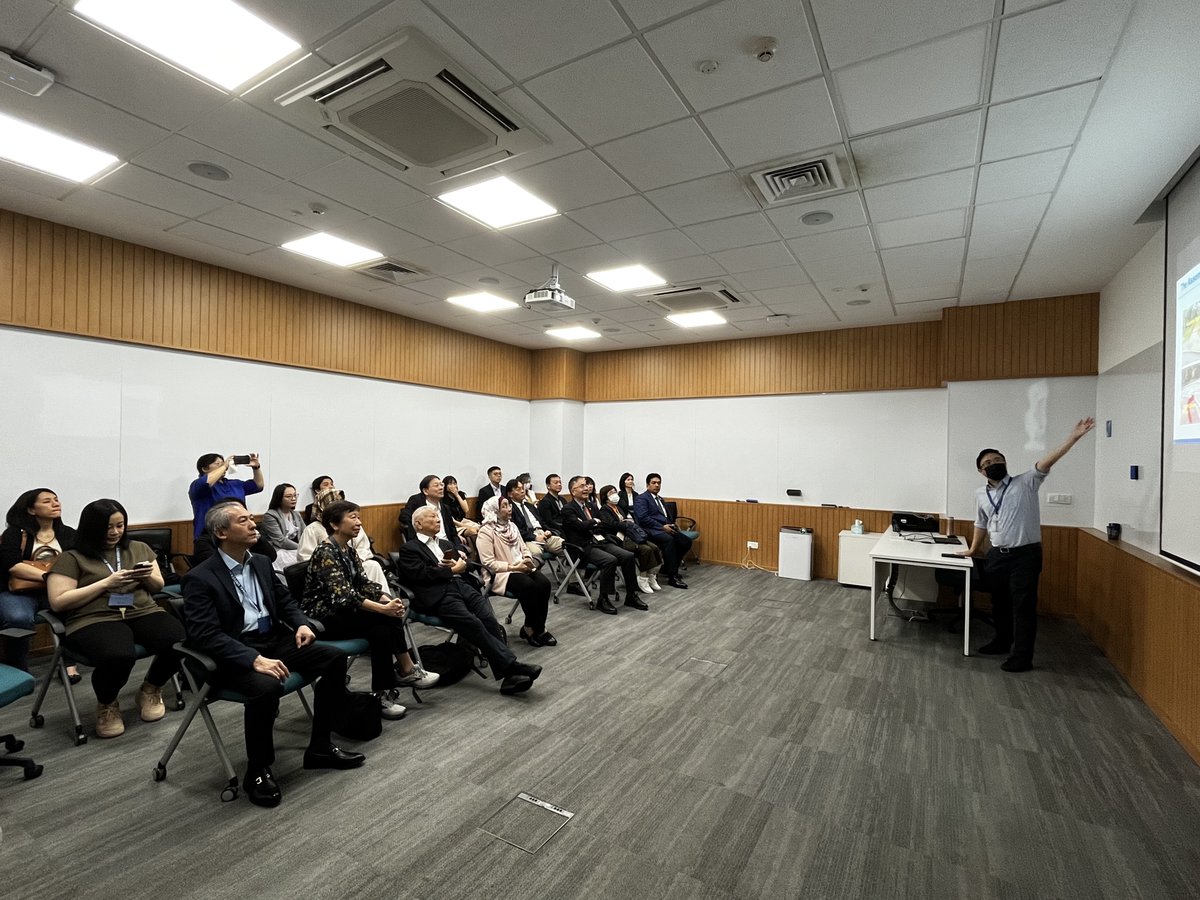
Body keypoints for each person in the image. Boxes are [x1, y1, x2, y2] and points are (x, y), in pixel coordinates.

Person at [182, 502, 365, 808]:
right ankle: (258, 769)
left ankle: (320, 746)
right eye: (244, 521)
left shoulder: (262, 563)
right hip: (234, 652)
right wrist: (252, 659)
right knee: (267, 687)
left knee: (332, 658)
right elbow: (205, 635)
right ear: (222, 532)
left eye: (251, 519)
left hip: (272, 639)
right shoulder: (201, 578)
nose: (254, 524)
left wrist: (302, 624)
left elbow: (285, 601)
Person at [957, 417, 1096, 672]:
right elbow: (981, 522)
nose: (993, 464)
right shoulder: (980, 494)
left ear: (1005, 462)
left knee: (1022, 606)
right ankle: (1001, 641)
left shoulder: (1026, 481)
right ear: (980, 471)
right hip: (997, 554)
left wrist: (1073, 437)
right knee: (999, 603)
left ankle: (1022, 657)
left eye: (997, 460)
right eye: (987, 463)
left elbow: (1049, 460)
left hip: (1025, 556)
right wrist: (974, 549)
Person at [46, 499, 182, 739]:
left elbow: (158, 585)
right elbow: (58, 601)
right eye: (108, 527)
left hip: (141, 610)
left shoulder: (139, 548)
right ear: (91, 528)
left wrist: (146, 577)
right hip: (93, 617)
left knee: (180, 640)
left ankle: (151, 688)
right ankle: (107, 704)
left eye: (120, 526)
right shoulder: (72, 557)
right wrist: (106, 583)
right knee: (117, 654)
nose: (115, 532)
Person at [301, 500, 437, 721]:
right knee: (383, 619)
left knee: (382, 630)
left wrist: (387, 599)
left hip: (344, 612)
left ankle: (383, 693)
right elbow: (344, 596)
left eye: (358, 517)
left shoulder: (349, 550)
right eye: (352, 517)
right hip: (323, 616)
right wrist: (383, 609)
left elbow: (365, 585)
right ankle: (405, 669)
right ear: (335, 524)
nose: (359, 522)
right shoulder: (325, 552)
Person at [396, 507, 542, 695]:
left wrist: (462, 566)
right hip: (438, 593)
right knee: (473, 624)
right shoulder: (409, 548)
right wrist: (450, 570)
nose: (438, 520)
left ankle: (509, 675)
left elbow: (462, 567)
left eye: (438, 516)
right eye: (432, 517)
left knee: (489, 619)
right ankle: (512, 667)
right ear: (418, 524)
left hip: (461, 587)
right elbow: (419, 574)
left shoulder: (445, 543)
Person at [0, 489, 81, 679]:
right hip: (18, 591)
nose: (55, 503)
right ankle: (18, 669)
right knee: (17, 617)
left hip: (54, 589)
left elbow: (76, 562)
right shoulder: (14, 533)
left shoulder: (68, 533)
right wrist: (50, 577)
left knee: (74, 609)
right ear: (31, 510)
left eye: (56, 499)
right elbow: (13, 566)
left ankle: (68, 663)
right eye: (47, 501)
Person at [476, 497, 555, 647]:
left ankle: (531, 627)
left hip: (521, 567)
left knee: (544, 584)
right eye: (504, 506)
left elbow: (523, 547)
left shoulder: (512, 526)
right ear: (495, 510)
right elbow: (488, 563)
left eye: (509, 505)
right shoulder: (485, 531)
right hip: (501, 573)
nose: (509, 508)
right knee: (528, 586)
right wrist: (514, 567)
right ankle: (537, 630)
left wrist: (526, 558)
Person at [560, 475, 645, 614]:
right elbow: (580, 527)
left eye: (587, 485)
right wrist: (593, 522)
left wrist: (592, 523)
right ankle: (603, 599)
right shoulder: (568, 509)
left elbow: (602, 525)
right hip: (583, 546)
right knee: (609, 560)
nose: (586, 488)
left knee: (628, 556)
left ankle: (631, 595)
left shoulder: (591, 505)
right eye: (582, 486)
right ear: (572, 490)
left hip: (600, 541)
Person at [299, 487, 390, 593]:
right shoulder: (313, 530)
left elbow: (363, 547)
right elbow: (305, 558)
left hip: (355, 566)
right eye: (332, 502)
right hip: (329, 575)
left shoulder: (352, 530)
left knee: (373, 566)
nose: (358, 522)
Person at [599, 484, 664, 594]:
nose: (614, 495)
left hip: (630, 536)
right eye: (611, 493)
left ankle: (651, 575)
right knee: (645, 549)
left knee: (654, 547)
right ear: (605, 497)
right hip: (618, 539)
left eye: (615, 492)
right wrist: (625, 523)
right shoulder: (604, 510)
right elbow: (612, 525)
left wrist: (627, 523)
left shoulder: (619, 507)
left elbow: (627, 521)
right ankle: (642, 579)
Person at [634, 473, 692, 589]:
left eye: (659, 483)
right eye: (653, 483)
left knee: (686, 541)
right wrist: (662, 527)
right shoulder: (642, 499)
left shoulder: (660, 499)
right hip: (651, 530)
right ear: (647, 485)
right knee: (669, 540)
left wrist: (672, 524)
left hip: (665, 528)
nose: (657, 485)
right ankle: (672, 576)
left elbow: (665, 516)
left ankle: (668, 567)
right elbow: (643, 518)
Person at [188, 452, 264, 539]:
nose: (224, 465)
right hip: (209, 536)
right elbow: (207, 482)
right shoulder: (197, 485)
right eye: (218, 463)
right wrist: (224, 466)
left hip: (238, 534)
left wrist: (256, 467)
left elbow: (259, 485)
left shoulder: (234, 484)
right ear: (205, 469)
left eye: (223, 462)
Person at [400, 476, 466, 553]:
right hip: (427, 547)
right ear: (425, 491)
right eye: (436, 485)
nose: (441, 488)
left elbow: (453, 533)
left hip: (447, 546)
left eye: (441, 485)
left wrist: (459, 550)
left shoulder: (445, 508)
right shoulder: (417, 501)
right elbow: (404, 517)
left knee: (469, 563)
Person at [505, 479, 564, 558]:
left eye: (523, 488)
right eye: (518, 489)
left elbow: (542, 522)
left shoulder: (530, 506)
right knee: (535, 553)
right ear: (510, 494)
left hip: (543, 534)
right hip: (527, 539)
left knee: (566, 546)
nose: (522, 491)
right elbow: (516, 530)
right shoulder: (509, 509)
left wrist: (548, 531)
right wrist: (535, 537)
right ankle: (533, 570)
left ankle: (576, 568)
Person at [261, 483, 305, 572]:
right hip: (278, 550)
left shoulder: (296, 514)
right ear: (279, 499)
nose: (293, 499)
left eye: (295, 495)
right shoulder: (270, 515)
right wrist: (302, 547)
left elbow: (305, 533)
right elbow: (280, 541)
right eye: (289, 496)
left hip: (295, 548)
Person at [441, 475, 481, 545]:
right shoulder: (442, 499)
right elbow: (452, 521)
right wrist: (467, 526)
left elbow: (466, 510)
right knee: (473, 531)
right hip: (454, 524)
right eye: (450, 484)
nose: (453, 486)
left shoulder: (460, 494)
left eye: (454, 483)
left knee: (481, 528)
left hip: (463, 520)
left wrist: (456, 495)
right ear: (445, 486)